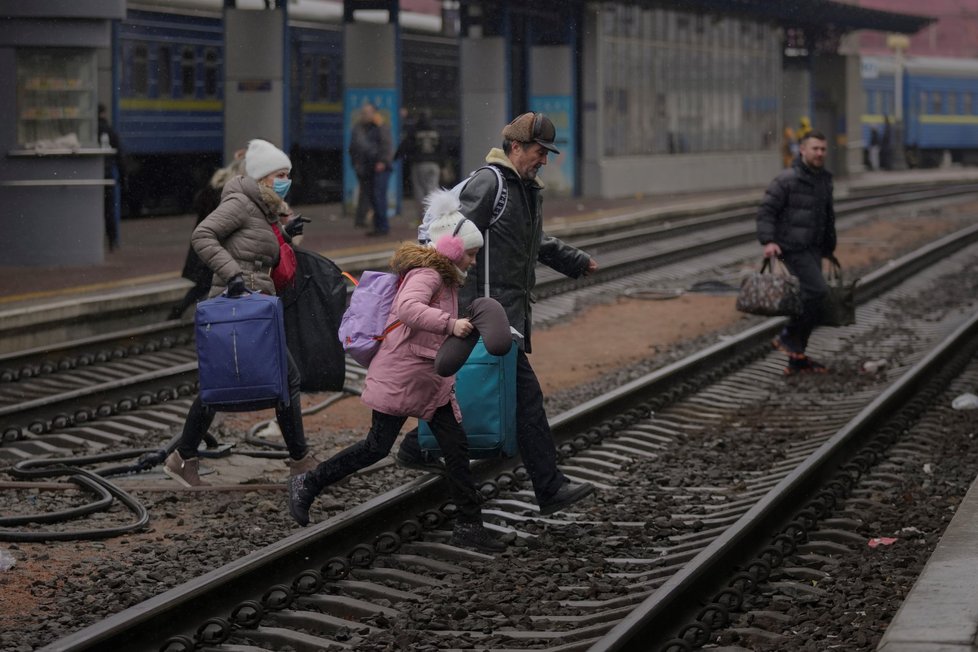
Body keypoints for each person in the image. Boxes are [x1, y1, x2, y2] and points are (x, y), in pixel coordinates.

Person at [397, 111, 599, 516]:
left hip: (498, 313)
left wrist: (575, 261)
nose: (544, 160)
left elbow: (534, 241)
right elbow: (451, 239)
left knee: (459, 393)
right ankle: (549, 487)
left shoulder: (524, 188)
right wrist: (452, 302)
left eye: (547, 154)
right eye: (539, 152)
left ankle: (413, 447)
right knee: (524, 402)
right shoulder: (491, 183)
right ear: (516, 147)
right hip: (484, 313)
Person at [287, 190, 510, 553]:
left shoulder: (445, 276)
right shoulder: (428, 274)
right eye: (470, 252)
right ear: (452, 248)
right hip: (404, 374)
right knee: (376, 447)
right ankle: (309, 483)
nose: (473, 260)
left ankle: (470, 525)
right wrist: (450, 325)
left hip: (427, 379)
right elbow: (408, 308)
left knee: (455, 447)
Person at [163, 138, 319, 487]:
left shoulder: (263, 209)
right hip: (236, 303)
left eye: (288, 174)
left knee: (230, 382)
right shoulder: (239, 202)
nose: (286, 180)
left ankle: (183, 456)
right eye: (280, 174)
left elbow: (256, 248)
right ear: (263, 177)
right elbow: (203, 235)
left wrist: (284, 233)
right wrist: (232, 273)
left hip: (255, 307)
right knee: (247, 381)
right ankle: (300, 460)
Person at [757, 130, 837, 375]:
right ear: (802, 150)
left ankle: (797, 359)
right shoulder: (786, 180)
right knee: (817, 293)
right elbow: (766, 211)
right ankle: (788, 337)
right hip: (791, 248)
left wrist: (828, 248)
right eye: (815, 149)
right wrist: (769, 241)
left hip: (812, 248)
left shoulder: (824, 179)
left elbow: (827, 217)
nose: (820, 153)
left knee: (809, 301)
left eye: (823, 149)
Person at [168, 152, 246, 320]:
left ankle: (181, 311)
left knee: (205, 284)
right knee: (210, 283)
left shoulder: (214, 187)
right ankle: (198, 315)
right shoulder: (229, 193)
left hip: (204, 244)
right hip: (215, 245)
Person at [349, 102, 393, 236]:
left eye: (368, 112)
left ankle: (383, 227)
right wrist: (357, 164)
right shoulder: (360, 128)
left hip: (379, 167)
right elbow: (354, 148)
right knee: (373, 197)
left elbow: (387, 145)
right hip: (367, 168)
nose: (365, 115)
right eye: (363, 112)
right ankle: (378, 226)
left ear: (374, 113)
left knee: (378, 196)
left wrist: (382, 161)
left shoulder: (380, 126)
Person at [394, 108, 443, 223]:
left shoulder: (415, 129)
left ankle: (423, 218)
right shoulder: (436, 129)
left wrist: (396, 157)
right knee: (433, 189)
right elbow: (443, 147)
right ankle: (434, 216)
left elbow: (406, 145)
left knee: (420, 191)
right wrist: (443, 163)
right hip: (434, 164)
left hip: (419, 163)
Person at [98, 104, 123, 251]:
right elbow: (119, 155)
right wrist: (123, 176)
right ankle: (112, 240)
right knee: (109, 210)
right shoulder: (110, 130)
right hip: (107, 174)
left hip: (95, 175)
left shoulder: (90, 130)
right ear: (104, 113)